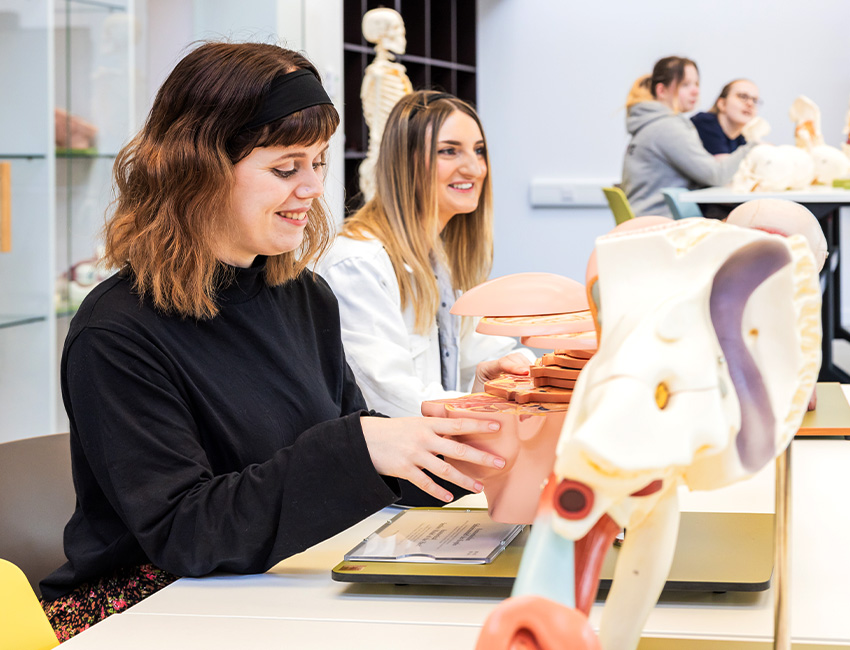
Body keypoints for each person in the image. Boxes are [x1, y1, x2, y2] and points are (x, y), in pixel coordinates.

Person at [38, 42, 508, 640]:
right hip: (139, 604)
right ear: (196, 169)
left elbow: (343, 477)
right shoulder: (117, 332)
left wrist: (461, 441)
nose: (312, 188)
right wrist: (360, 445)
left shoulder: (306, 296)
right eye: (286, 168)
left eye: (318, 162)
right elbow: (185, 533)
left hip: (267, 580)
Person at [316, 90, 533, 428]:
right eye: (449, 151)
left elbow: (480, 352)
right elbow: (389, 397)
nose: (474, 168)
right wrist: (487, 406)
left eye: (479, 151)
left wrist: (529, 373)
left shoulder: (438, 257)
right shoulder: (357, 264)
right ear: (406, 161)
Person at [621, 56, 756, 218]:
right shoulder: (667, 127)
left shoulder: (651, 124)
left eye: (696, 84)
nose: (695, 91)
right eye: (685, 84)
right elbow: (715, 175)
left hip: (645, 217)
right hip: (662, 220)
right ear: (661, 91)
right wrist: (753, 148)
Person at [691, 79, 761, 155]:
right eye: (743, 97)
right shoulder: (705, 122)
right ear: (722, 104)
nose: (750, 104)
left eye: (755, 100)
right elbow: (722, 166)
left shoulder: (740, 139)